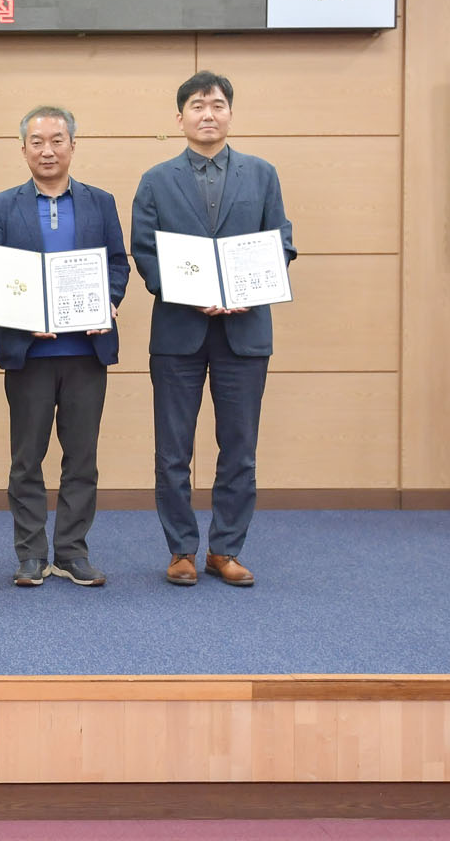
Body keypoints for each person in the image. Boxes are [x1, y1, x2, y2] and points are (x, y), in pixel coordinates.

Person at [131, 72, 295, 588]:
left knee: (240, 449)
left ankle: (225, 549)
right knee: (172, 451)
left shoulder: (262, 174)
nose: (208, 114)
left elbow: (281, 242)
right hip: (178, 331)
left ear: (230, 114)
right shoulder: (156, 180)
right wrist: (186, 292)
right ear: (179, 117)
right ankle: (181, 549)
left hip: (244, 333)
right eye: (198, 105)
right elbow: (145, 250)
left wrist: (248, 289)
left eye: (217, 105)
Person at [0, 106, 129, 589]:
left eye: (57, 140)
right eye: (37, 141)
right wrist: (22, 313)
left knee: (81, 458)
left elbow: (118, 263)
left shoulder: (100, 202)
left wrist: (109, 299)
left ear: (72, 146)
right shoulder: (3, 206)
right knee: (27, 459)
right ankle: (31, 553)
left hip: (86, 351)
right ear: (23, 148)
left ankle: (72, 552)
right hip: (29, 354)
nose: (47, 150)